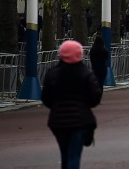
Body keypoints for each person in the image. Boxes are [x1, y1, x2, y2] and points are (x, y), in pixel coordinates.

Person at [42, 39, 102, 169]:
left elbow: (46, 98)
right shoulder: (86, 73)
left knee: (65, 154)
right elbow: (95, 96)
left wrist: (56, 107)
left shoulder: (52, 74)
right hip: (80, 120)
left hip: (58, 121)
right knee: (74, 155)